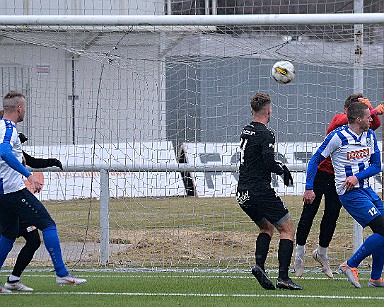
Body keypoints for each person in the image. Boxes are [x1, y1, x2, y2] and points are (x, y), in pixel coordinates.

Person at [0, 91, 86, 294]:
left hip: (3, 194)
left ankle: (13, 280)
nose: (25, 111)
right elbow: (4, 153)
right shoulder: (9, 128)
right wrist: (28, 175)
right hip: (12, 192)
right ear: (19, 108)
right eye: (25, 107)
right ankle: (62, 273)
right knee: (48, 225)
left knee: (9, 234)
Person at [294, 94, 384, 278]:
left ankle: (374, 277)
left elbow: (376, 164)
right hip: (333, 182)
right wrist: (309, 187)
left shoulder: (369, 134)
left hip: (363, 187)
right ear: (354, 115)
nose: (371, 118)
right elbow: (315, 160)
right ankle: (300, 256)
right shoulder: (338, 130)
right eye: (367, 115)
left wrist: (357, 177)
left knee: (331, 219)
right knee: (308, 215)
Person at [236, 92, 302, 290]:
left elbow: (258, 159)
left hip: (242, 192)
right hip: (259, 190)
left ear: (252, 110)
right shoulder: (266, 133)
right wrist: (281, 170)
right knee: (288, 228)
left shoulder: (246, 130)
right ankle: (283, 277)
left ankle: (260, 266)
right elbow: (267, 161)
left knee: (266, 228)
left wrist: (276, 166)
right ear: (268, 110)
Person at [3, 131, 63, 292]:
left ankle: (14, 279)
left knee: (32, 240)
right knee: (13, 238)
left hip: (15, 202)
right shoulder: (4, 149)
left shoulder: (14, 151)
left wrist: (53, 161)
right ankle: (14, 280)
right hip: (10, 200)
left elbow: (33, 161)